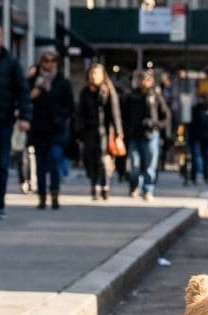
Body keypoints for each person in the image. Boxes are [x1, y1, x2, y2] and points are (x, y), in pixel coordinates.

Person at [0, 20, 32, 217]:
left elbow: (23, 92)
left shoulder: (11, 64)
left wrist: (25, 117)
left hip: (4, 120)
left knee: (2, 164)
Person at [28, 49, 75, 209]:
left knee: (54, 160)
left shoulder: (62, 82)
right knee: (40, 165)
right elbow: (24, 99)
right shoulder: (33, 80)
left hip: (56, 130)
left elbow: (70, 107)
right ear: (41, 62)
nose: (49, 64)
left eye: (52, 61)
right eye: (46, 61)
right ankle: (42, 196)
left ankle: (55, 193)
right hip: (38, 129)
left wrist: (60, 117)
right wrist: (33, 93)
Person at [77, 63, 124, 201]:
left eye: (97, 73)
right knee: (89, 158)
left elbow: (115, 113)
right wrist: (78, 131)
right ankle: (95, 183)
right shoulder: (85, 92)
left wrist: (118, 132)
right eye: (92, 73)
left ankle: (103, 184)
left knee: (102, 158)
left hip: (104, 131)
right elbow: (80, 113)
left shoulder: (108, 90)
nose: (94, 76)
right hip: (89, 131)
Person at [123, 68, 171, 201]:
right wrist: (126, 130)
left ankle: (148, 190)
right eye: (141, 79)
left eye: (147, 79)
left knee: (150, 166)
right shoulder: (132, 96)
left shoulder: (155, 96)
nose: (144, 82)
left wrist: (156, 125)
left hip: (151, 135)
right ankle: (134, 186)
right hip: (134, 135)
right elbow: (124, 115)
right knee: (134, 164)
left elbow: (166, 116)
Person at [188, 96, 208, 184]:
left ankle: (206, 176)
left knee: (206, 158)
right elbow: (190, 125)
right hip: (196, 138)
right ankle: (194, 176)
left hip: (207, 139)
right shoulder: (195, 110)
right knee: (196, 157)